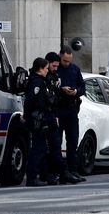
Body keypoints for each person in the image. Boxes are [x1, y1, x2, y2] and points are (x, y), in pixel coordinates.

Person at [24, 57, 78, 187]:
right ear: (40, 69)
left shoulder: (44, 80)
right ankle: (32, 177)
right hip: (40, 119)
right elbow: (31, 102)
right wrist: (27, 116)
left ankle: (62, 173)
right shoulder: (36, 82)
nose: (47, 71)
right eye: (46, 68)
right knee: (38, 148)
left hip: (48, 117)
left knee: (53, 146)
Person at [55, 45, 87, 183]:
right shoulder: (55, 69)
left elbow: (82, 87)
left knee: (73, 141)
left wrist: (75, 92)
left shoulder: (75, 69)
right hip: (59, 109)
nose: (67, 63)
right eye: (64, 61)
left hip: (72, 108)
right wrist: (61, 89)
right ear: (60, 56)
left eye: (69, 61)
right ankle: (59, 171)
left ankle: (73, 170)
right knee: (56, 141)